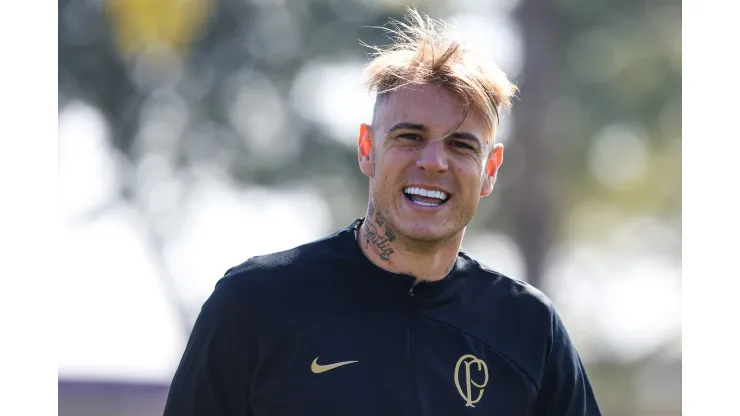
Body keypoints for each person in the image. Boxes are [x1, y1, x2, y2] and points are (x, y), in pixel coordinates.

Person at [163, 8, 602, 416]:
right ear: (368, 148)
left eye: (460, 144)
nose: (433, 162)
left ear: (489, 170)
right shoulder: (253, 304)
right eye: (410, 137)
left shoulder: (529, 330)